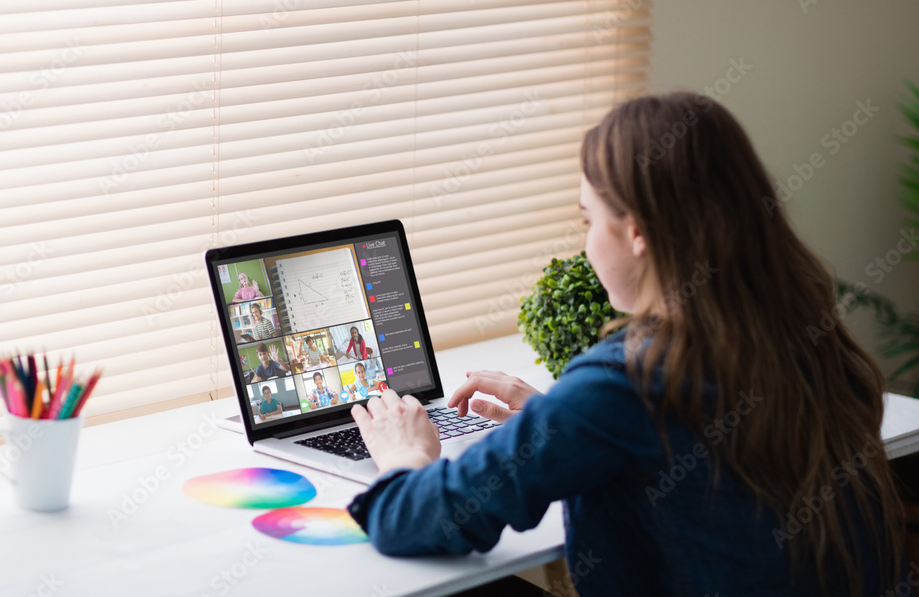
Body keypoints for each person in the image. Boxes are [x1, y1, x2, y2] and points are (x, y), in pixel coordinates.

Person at [345, 92, 905, 597]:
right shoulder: (807, 337)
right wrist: (556, 420)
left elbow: (414, 519)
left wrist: (404, 455)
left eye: (588, 219)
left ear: (636, 232)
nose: (585, 241)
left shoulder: (629, 381)